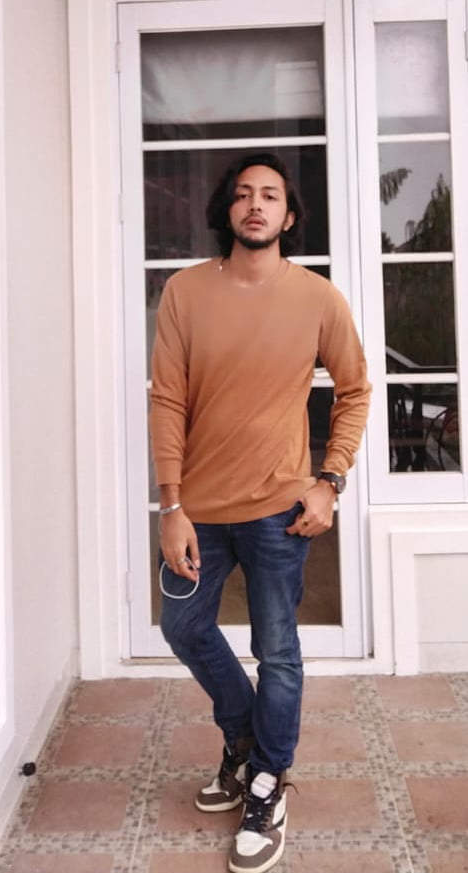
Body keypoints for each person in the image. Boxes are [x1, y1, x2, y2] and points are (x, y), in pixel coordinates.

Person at [149, 152, 371, 873]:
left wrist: (329, 480)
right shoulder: (185, 292)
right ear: (228, 210)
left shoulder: (317, 298)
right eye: (243, 194)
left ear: (289, 215)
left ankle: (268, 780)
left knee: (278, 649)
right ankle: (245, 736)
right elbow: (168, 400)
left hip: (280, 510)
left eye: (270, 195)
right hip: (199, 510)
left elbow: (356, 390)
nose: (255, 205)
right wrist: (171, 504)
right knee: (183, 625)